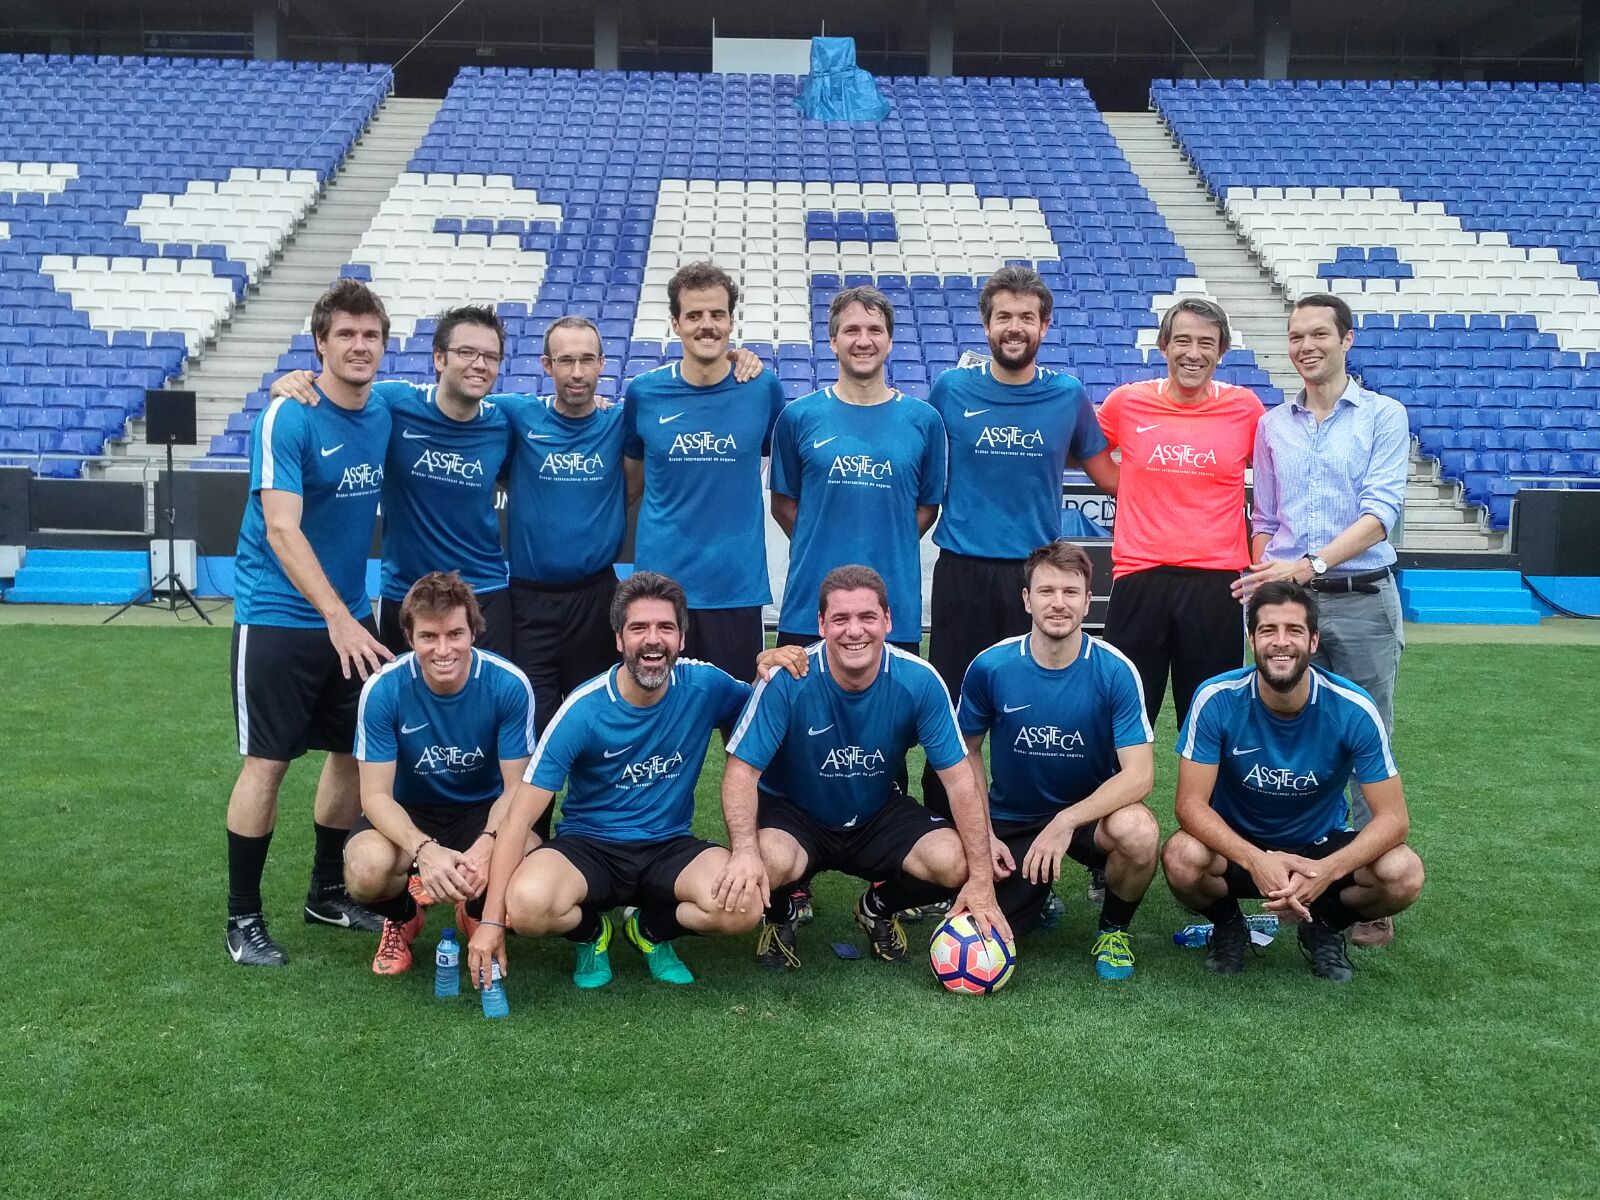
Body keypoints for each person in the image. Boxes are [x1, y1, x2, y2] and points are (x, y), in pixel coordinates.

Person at [466, 572, 804, 991]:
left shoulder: (705, 685)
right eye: (639, 628)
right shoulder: (584, 710)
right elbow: (518, 819)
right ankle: (592, 934)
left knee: (744, 905)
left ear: (682, 638)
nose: (653, 640)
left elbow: (759, 711)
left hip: (668, 845)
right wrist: (491, 922)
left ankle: (649, 929)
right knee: (527, 905)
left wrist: (769, 669)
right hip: (589, 846)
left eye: (665, 627)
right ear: (619, 639)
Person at [718, 565, 1013, 971]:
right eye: (840, 618)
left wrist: (980, 879)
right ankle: (781, 914)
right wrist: (744, 852)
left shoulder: (919, 680)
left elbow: (960, 780)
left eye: (867, 617)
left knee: (958, 861)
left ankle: (877, 907)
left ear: (887, 621)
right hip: (796, 815)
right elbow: (741, 772)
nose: (854, 631)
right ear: (821, 624)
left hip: (876, 812)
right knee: (760, 864)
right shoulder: (788, 678)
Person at [1232, 292, 1411, 948]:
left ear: (1347, 339)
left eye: (1319, 334)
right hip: (1287, 603)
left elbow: (1381, 513)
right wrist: (1267, 579)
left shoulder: (1384, 415)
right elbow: (1264, 516)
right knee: (1279, 733)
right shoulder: (1272, 425)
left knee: (1368, 738)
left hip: (1360, 598)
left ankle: (1365, 893)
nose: (1306, 347)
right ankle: (1267, 873)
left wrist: (1306, 566)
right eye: (1296, 336)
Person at [225, 279, 395, 966]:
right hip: (279, 617)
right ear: (319, 343)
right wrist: (337, 618)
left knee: (351, 754)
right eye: (345, 334)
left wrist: (349, 619)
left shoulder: (384, 410)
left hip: (351, 618)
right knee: (267, 763)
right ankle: (242, 917)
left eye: (370, 335)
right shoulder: (288, 417)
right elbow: (281, 528)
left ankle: (326, 892)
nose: (359, 345)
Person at [922, 265, 1116, 819]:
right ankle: (943, 825)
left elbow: (1110, 477)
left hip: (1036, 578)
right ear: (986, 324)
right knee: (953, 709)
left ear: (1044, 325)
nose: (1015, 327)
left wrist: (1191, 480)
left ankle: (1031, 822)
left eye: (1026, 317)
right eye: (1003, 316)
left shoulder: (1068, 395)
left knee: (1034, 707)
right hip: (963, 570)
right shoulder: (950, 389)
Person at [1161, 580, 1425, 983]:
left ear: (1314, 641)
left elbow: (1394, 819)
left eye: (1294, 630)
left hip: (1318, 848)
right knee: (1182, 857)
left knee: (1403, 873)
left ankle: (1324, 926)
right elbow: (1189, 806)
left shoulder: (1353, 707)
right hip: (1238, 843)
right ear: (1251, 639)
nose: (1281, 642)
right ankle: (1229, 925)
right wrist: (1256, 860)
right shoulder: (1216, 698)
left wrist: (1328, 870)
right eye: (1268, 630)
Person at [957, 541, 1159, 980]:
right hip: (1013, 819)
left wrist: (1066, 821)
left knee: (1139, 832)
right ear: (1026, 599)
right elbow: (965, 752)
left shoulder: (1115, 670)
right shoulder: (991, 666)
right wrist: (984, 833)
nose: (1058, 603)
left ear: (1088, 601)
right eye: (1046, 591)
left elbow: (1140, 775)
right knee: (986, 924)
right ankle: (1038, 893)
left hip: (1087, 820)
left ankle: (1113, 930)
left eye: (1070, 592)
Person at [271, 305, 517, 657]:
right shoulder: (393, 404)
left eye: (490, 356)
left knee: (486, 691)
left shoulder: (505, 422)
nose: (480, 364)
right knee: (401, 693)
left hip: (484, 592)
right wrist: (290, 383)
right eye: (466, 352)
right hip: (407, 595)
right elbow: (337, 395)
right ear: (439, 358)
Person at [345, 572, 536, 975]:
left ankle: (476, 909)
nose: (443, 649)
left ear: (473, 633)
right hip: (410, 810)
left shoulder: (508, 684)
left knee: (531, 869)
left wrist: (487, 845)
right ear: (409, 637)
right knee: (364, 869)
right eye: (429, 637)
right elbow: (375, 797)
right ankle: (403, 915)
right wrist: (424, 850)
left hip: (482, 810)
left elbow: (516, 788)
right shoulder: (384, 689)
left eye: (455, 634)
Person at [1096, 296, 1266, 729]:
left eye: (1206, 343)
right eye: (1183, 341)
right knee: (1123, 714)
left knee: (1210, 718)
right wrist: (1128, 486)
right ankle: (1120, 780)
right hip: (1139, 576)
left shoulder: (1245, 408)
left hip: (1217, 584)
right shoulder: (1127, 402)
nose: (1194, 353)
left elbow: (1273, 484)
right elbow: (1089, 453)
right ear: (1164, 346)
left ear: (1221, 351)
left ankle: (1202, 781)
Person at [622, 261, 787, 680]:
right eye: (694, 315)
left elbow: (779, 464)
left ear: (731, 321)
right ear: (676, 323)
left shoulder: (762, 388)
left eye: (717, 314)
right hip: (659, 592)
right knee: (654, 709)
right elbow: (631, 480)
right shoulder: (644, 393)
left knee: (737, 711)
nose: (707, 325)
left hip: (735, 589)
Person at [770, 285, 944, 657]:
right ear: (833, 341)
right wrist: (824, 538)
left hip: (892, 609)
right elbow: (783, 506)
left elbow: (927, 507)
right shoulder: (797, 417)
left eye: (874, 330)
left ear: (890, 341)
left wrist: (884, 539)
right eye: (851, 330)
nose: (863, 341)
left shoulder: (924, 421)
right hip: (809, 607)